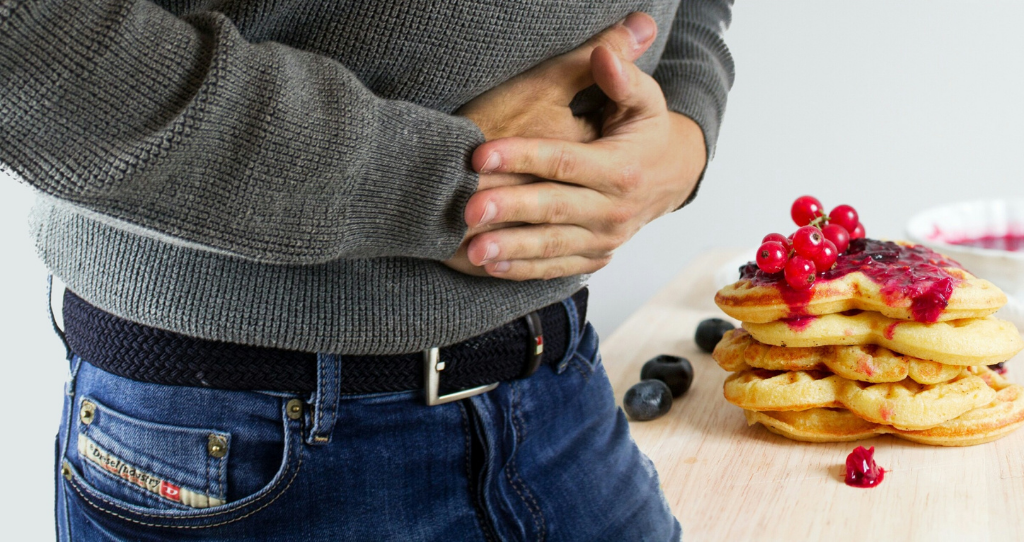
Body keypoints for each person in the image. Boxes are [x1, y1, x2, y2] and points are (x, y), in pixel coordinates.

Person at [0, 0, 733, 540]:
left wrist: (684, 133)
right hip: (245, 434)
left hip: (558, 382)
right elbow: (26, 45)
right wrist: (441, 186)